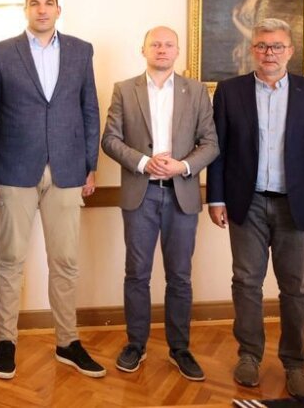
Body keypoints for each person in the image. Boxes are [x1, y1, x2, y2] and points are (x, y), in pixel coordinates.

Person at [207, 18, 304, 398]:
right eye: (263, 46)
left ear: (290, 51)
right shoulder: (230, 92)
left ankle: (295, 363)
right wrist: (216, 198)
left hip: (295, 206)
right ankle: (249, 356)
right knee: (246, 283)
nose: (270, 53)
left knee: (296, 288)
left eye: (277, 46)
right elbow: (219, 151)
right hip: (245, 203)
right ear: (253, 50)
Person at [0, 0, 105, 379]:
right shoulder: (1, 53)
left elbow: (89, 108)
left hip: (68, 169)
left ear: (58, 9)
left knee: (65, 260)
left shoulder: (81, 51)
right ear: (25, 9)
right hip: (14, 169)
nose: (42, 9)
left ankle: (68, 341)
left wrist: (90, 163)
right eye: (34, 3)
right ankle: (6, 340)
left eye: (48, 3)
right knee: (11, 259)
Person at [101, 26, 218, 381]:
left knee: (180, 276)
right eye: (155, 44)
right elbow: (110, 139)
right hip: (141, 193)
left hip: (182, 194)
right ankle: (135, 345)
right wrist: (142, 162)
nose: (162, 49)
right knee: (137, 274)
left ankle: (180, 348)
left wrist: (182, 166)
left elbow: (210, 143)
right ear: (144, 49)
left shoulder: (196, 91)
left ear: (177, 51)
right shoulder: (124, 89)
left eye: (168, 44)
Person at [231, 0, 273, 76]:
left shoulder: (266, 0)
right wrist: (240, 46)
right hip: (244, 56)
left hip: (259, 57)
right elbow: (245, 35)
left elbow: (258, 37)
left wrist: (235, 20)